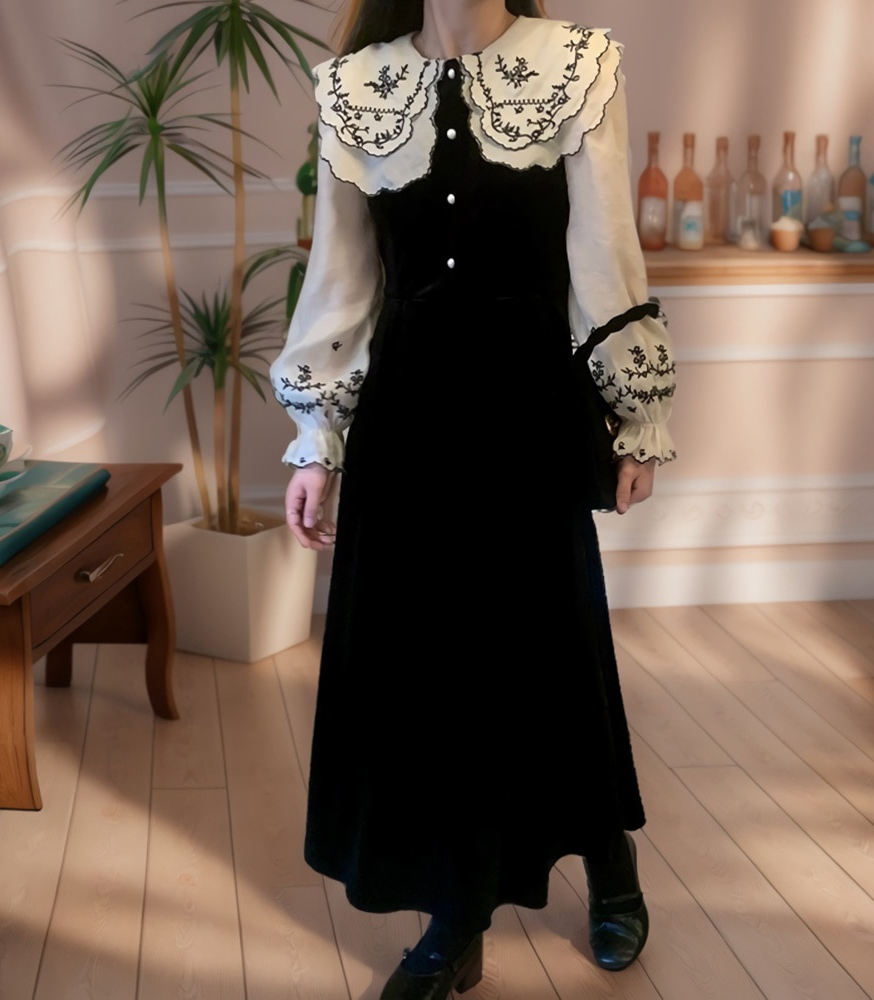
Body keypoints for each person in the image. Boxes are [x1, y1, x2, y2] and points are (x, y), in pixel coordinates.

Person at [270, 1, 676, 997]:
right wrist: (317, 441)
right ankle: (458, 912)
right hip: (407, 416)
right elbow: (342, 277)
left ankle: (608, 855)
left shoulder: (576, 65)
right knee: (428, 667)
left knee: (550, 647)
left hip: (528, 406)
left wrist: (636, 413)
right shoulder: (357, 86)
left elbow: (602, 250)